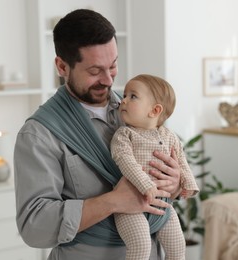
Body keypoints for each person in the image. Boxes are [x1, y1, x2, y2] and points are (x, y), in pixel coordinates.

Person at [14, 9, 183, 260]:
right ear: (62, 66)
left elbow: (167, 182)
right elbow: (34, 227)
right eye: (94, 71)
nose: (108, 80)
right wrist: (113, 201)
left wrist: (176, 183)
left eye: (113, 65)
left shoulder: (139, 113)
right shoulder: (39, 134)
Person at [111, 74, 199, 260]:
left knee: (177, 248)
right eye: (124, 95)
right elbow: (125, 160)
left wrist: (188, 185)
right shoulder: (124, 134)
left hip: (163, 205)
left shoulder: (169, 136)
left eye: (132, 96)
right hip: (129, 207)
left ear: (155, 110)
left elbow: (181, 161)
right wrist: (146, 185)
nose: (123, 100)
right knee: (141, 247)